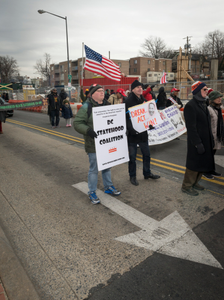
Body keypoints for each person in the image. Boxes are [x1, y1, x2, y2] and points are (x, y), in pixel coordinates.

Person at [73, 83, 121, 204]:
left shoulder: (108, 105)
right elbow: (77, 123)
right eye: (99, 91)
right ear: (92, 94)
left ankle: (108, 187)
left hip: (106, 143)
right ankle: (92, 192)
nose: (102, 92)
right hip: (93, 144)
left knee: (107, 165)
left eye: (102, 90)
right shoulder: (86, 107)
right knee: (94, 168)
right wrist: (88, 130)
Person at [182, 81, 215, 196]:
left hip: (205, 140)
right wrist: (197, 143)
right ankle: (186, 186)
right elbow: (191, 128)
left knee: (202, 163)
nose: (207, 91)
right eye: (204, 89)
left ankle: (195, 183)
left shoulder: (203, 103)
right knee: (193, 164)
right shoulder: (191, 106)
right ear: (197, 91)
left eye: (207, 89)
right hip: (196, 142)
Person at [125, 79, 160, 186]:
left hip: (143, 133)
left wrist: (150, 124)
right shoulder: (128, 101)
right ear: (133, 89)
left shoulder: (143, 99)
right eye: (137, 87)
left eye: (141, 87)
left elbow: (146, 115)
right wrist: (132, 130)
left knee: (147, 154)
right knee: (132, 157)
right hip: (133, 134)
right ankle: (132, 176)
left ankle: (147, 173)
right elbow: (126, 118)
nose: (140, 89)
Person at [203, 91, 224, 179]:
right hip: (210, 136)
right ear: (212, 100)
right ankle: (205, 171)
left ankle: (211, 170)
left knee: (212, 154)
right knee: (208, 155)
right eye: (217, 98)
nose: (220, 99)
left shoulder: (219, 109)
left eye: (220, 97)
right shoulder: (208, 109)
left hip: (217, 136)